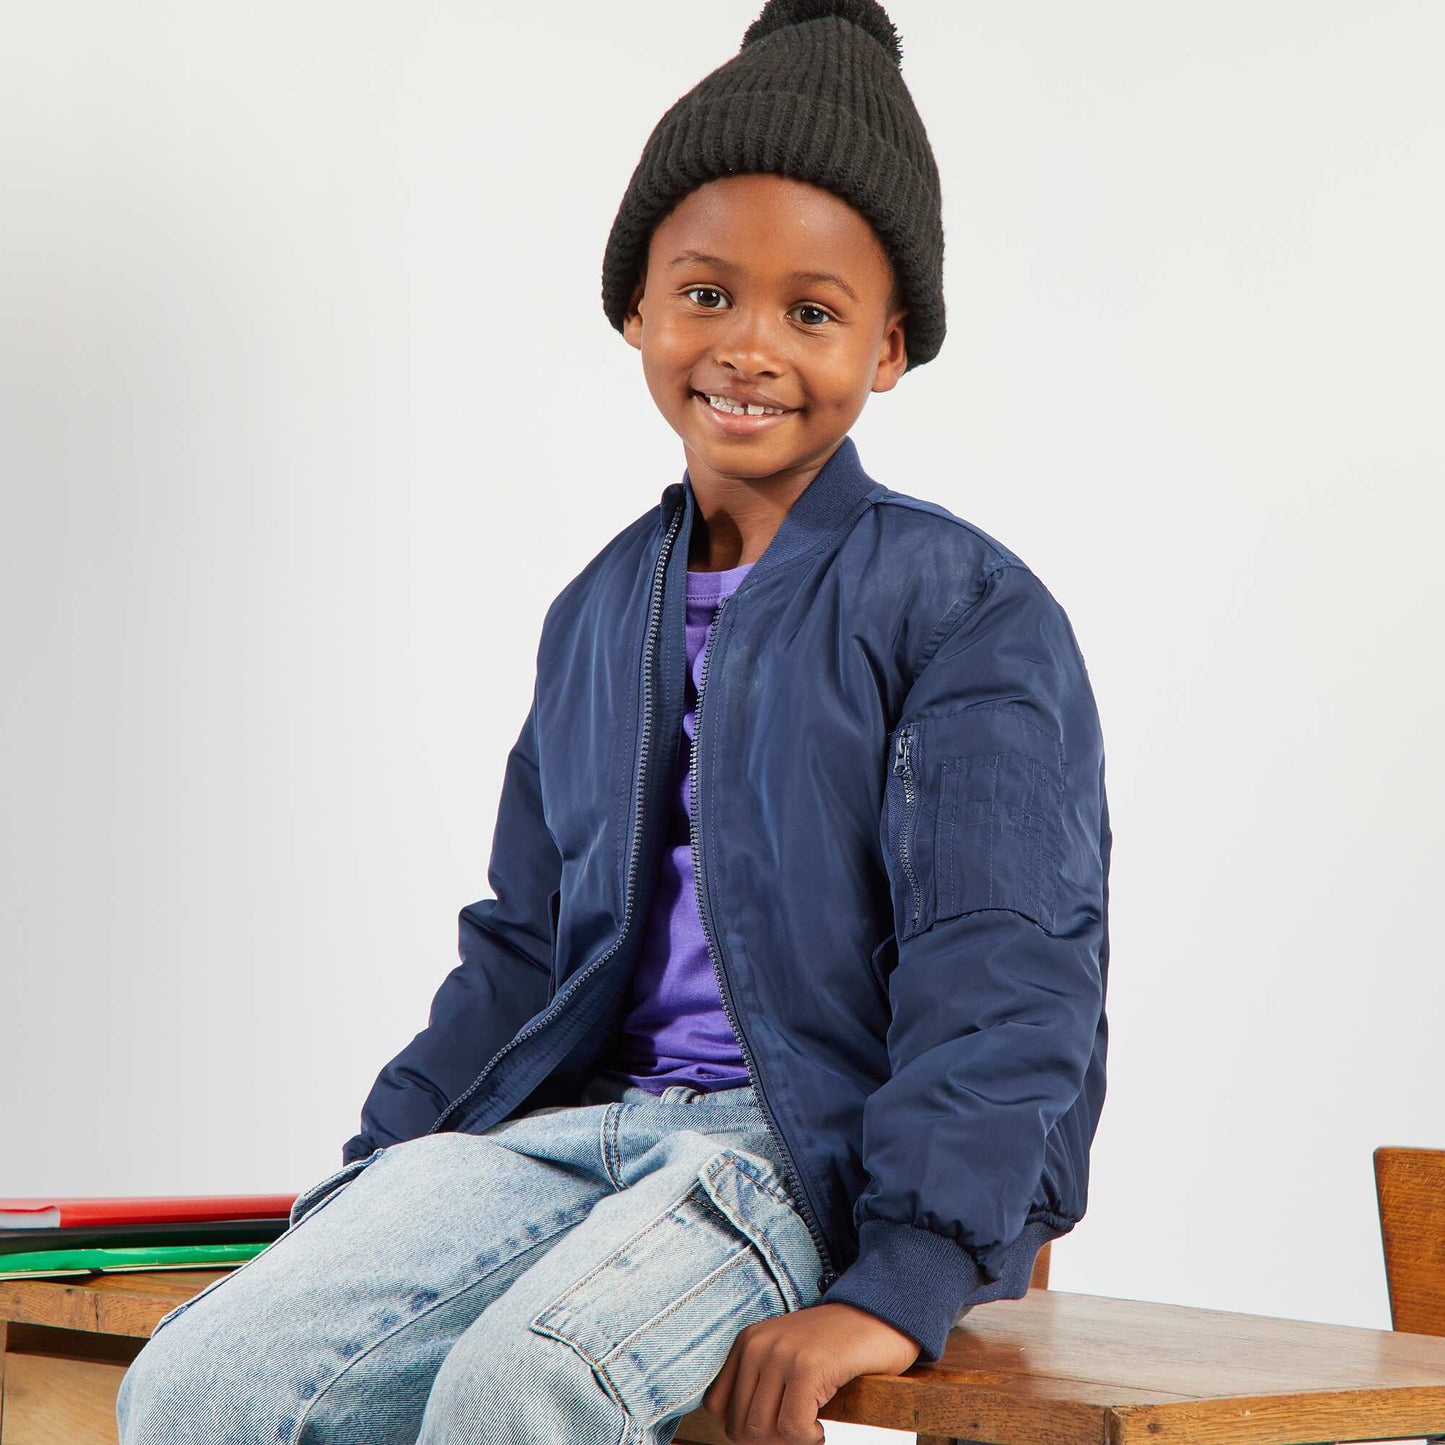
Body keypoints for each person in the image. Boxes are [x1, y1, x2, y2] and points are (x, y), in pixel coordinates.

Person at [116, 1, 1111, 1441]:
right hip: (573, 1132)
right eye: (705, 293)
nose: (748, 346)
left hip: (798, 1158)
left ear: (889, 346)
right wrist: (378, 1180)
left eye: (811, 312)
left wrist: (907, 1274)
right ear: (636, 309)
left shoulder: (962, 608)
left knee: (530, 1384)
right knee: (201, 1380)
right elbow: (527, 942)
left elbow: (1007, 968)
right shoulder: (598, 613)